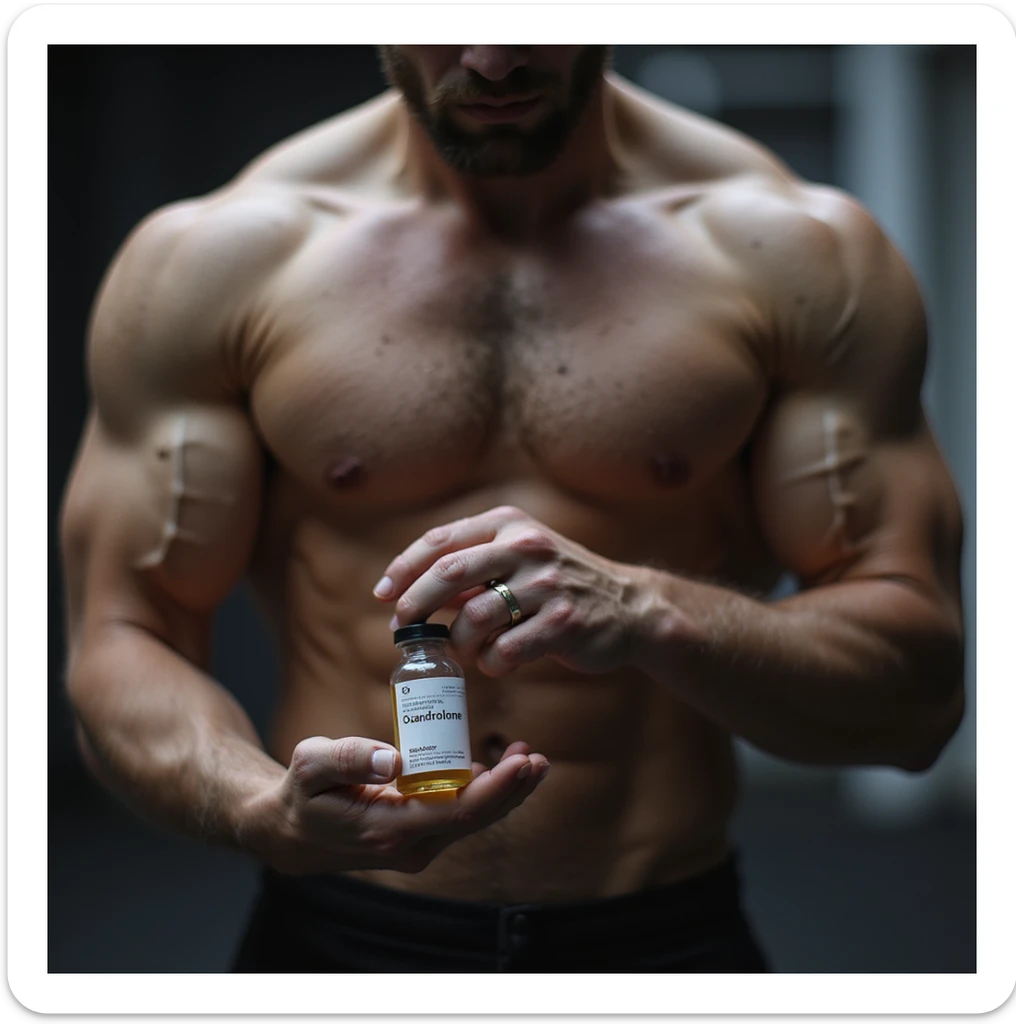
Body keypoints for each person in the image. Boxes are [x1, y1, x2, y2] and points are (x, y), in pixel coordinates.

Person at [59, 45, 965, 973]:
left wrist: (654, 612)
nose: (490, 60)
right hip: (338, 941)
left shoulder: (795, 252)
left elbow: (919, 699)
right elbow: (125, 639)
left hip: (661, 943)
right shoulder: (218, 259)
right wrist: (254, 804)